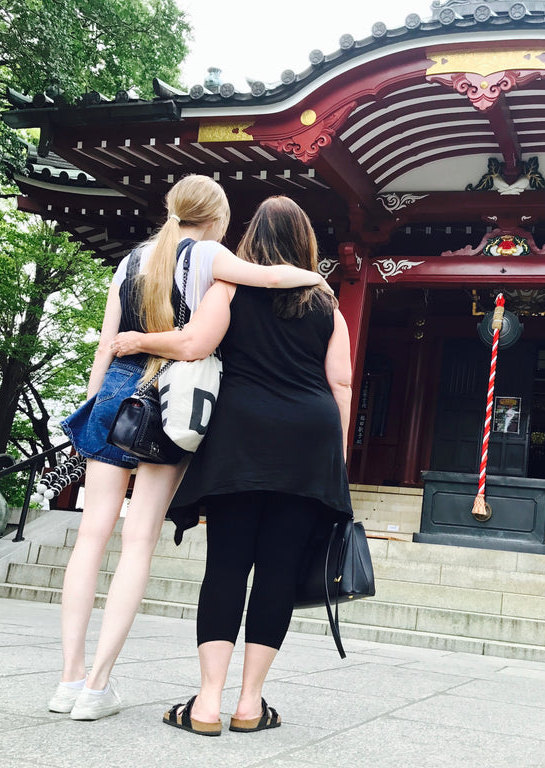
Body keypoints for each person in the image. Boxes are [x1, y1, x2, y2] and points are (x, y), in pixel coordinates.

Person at [52, 176, 331, 721]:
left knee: (89, 539)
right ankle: (97, 686)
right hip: (167, 402)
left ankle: (68, 678)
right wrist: (314, 275)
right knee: (138, 543)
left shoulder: (131, 260)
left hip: (114, 398)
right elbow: (273, 276)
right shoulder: (206, 255)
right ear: (220, 218)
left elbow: (104, 346)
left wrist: (95, 408)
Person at [110, 195, 352, 737]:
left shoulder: (231, 287)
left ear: (251, 242)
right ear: (305, 245)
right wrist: (335, 460)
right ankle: (250, 703)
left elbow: (195, 345)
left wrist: (139, 340)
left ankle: (207, 704)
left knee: (226, 566)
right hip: (308, 442)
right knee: (278, 573)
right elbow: (341, 384)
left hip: (240, 437)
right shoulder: (327, 303)